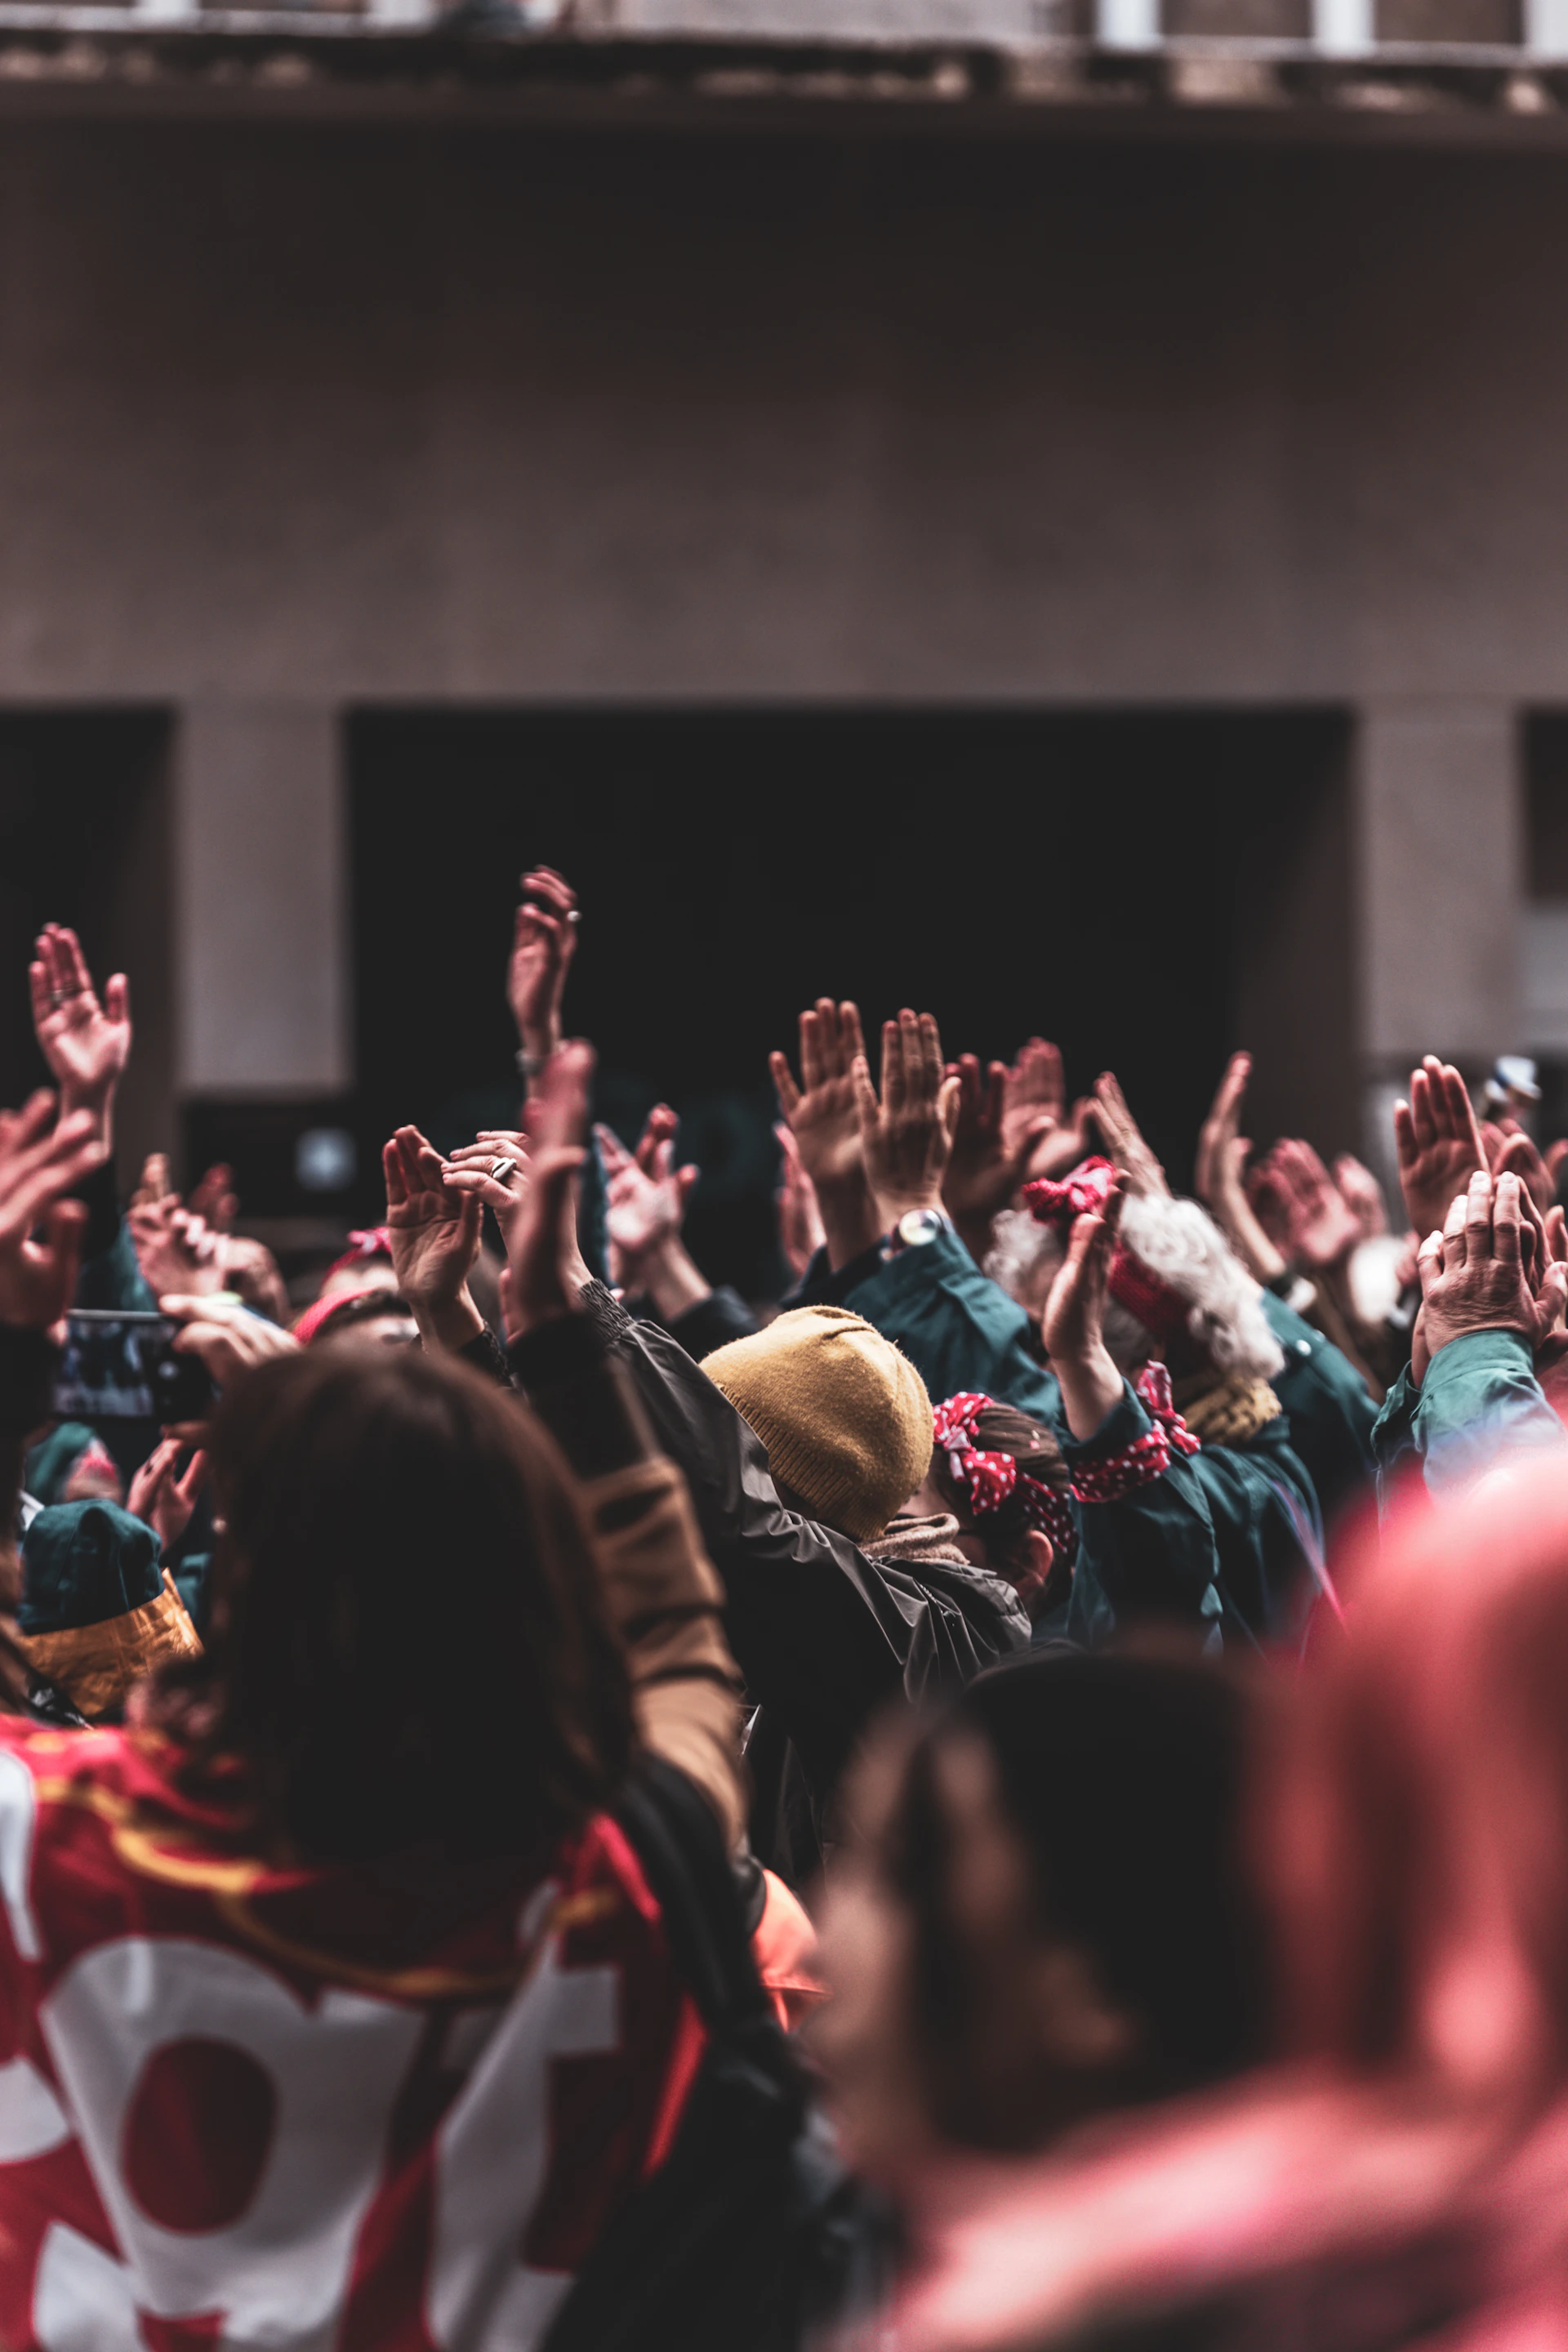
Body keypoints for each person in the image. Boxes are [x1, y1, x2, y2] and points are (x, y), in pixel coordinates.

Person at [0, 1049, 764, 2350]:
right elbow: (679, 1634)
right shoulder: (622, 1873)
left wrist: (21, 1354)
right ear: (532, 1584)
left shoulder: (43, 1841)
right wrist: (558, 1328)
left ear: (239, 1579)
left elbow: (668, 1628)